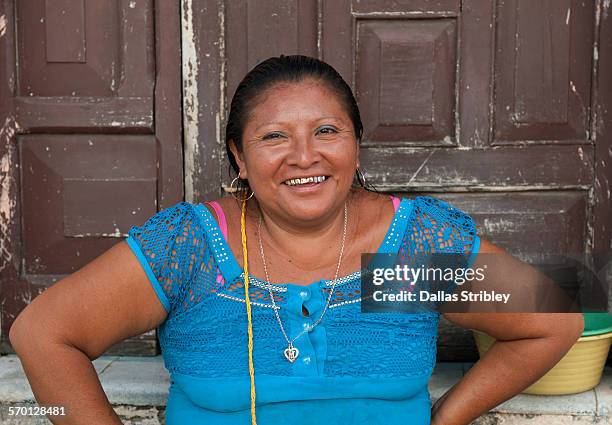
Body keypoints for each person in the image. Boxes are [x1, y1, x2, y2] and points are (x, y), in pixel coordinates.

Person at [9, 55, 584, 425]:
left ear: (356, 146)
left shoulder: (406, 250)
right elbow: (41, 334)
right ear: (239, 156)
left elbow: (552, 323)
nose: (304, 156)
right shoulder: (191, 248)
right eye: (274, 136)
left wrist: (449, 418)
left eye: (327, 132)